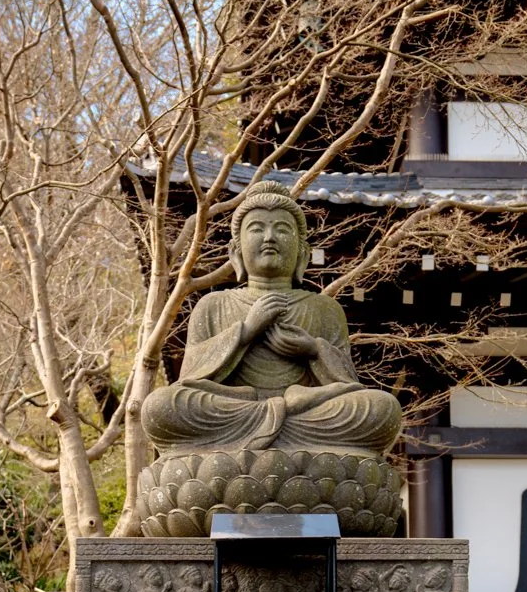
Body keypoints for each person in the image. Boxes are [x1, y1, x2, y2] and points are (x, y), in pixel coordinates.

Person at [140, 180, 402, 456]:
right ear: (236, 250)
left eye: (281, 229)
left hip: (307, 413)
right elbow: (190, 376)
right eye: (256, 229)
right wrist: (245, 330)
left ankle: (288, 410)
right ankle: (279, 412)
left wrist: (313, 350)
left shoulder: (324, 308)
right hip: (236, 409)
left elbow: (347, 382)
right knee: (161, 407)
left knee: (381, 409)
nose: (269, 237)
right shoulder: (213, 305)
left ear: (302, 252)